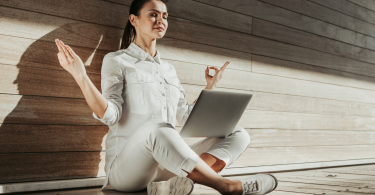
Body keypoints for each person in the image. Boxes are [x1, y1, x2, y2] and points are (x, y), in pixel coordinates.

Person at [54, 0, 278, 194]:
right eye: (153, 14)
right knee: (158, 128)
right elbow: (110, 114)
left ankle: (173, 183)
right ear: (134, 19)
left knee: (238, 133)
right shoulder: (117, 60)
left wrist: (210, 88)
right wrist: (80, 76)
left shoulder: (169, 69)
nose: (160, 20)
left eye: (164, 16)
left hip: (166, 167)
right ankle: (225, 186)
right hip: (127, 172)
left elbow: (186, 117)